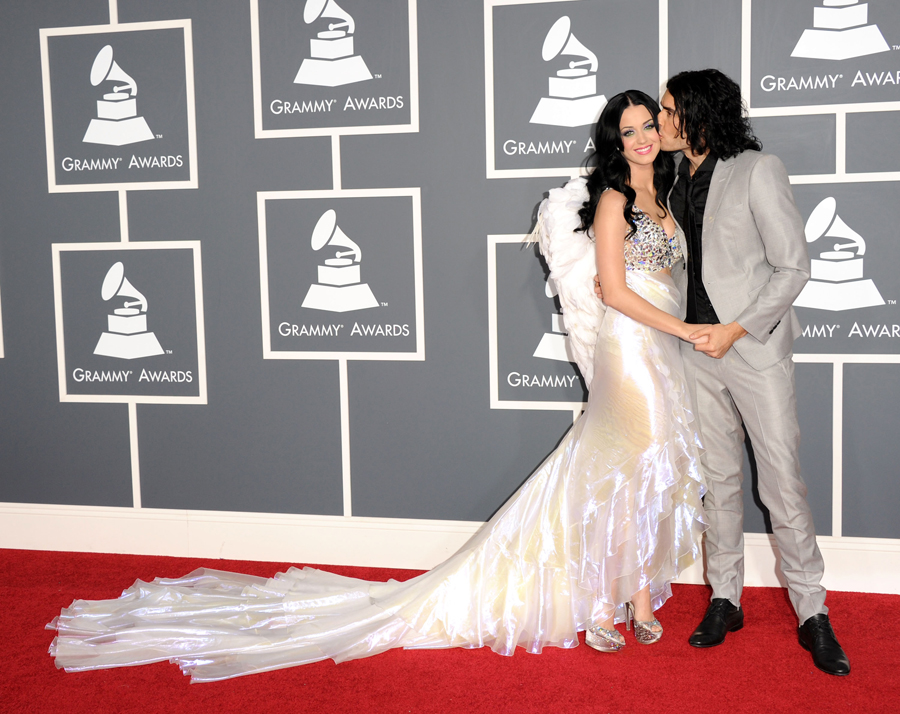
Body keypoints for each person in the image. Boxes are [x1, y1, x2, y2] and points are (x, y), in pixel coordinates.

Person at [47, 91, 708, 682]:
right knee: (607, 473)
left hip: (665, 351)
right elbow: (615, 291)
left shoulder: (667, 196)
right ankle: (596, 604)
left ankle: (637, 597)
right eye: (629, 130)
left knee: (640, 474)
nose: (644, 136)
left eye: (649, 124)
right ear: (613, 144)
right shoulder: (616, 200)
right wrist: (682, 330)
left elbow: (667, 274)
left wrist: (683, 331)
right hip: (633, 351)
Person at [654, 69, 848, 676]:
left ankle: (813, 611)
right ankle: (725, 598)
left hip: (751, 349)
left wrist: (734, 330)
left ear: (697, 114)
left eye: (667, 112)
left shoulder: (758, 170)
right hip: (692, 352)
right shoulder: (669, 176)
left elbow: (793, 268)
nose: (660, 122)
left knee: (782, 483)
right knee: (719, 483)